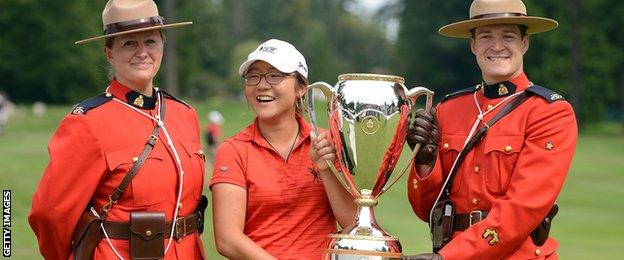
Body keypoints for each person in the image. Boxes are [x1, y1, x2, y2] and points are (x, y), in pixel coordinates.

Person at [28, 1, 207, 259]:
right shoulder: (88, 122)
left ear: (163, 46)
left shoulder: (184, 114)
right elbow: (50, 213)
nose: (142, 52)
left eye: (151, 41)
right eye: (129, 43)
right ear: (109, 53)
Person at [404, 0, 578, 259]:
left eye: (508, 36)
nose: (497, 46)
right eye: (486, 37)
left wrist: (449, 257)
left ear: (524, 43)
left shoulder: (549, 112)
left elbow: (523, 208)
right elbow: (427, 211)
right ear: (473, 45)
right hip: (449, 250)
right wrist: (426, 165)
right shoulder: (448, 109)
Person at [210, 39, 356, 259]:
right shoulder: (234, 150)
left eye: (274, 75)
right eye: (253, 76)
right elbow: (227, 240)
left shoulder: (329, 142)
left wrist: (326, 169)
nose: (261, 85)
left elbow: (353, 223)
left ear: (301, 87)